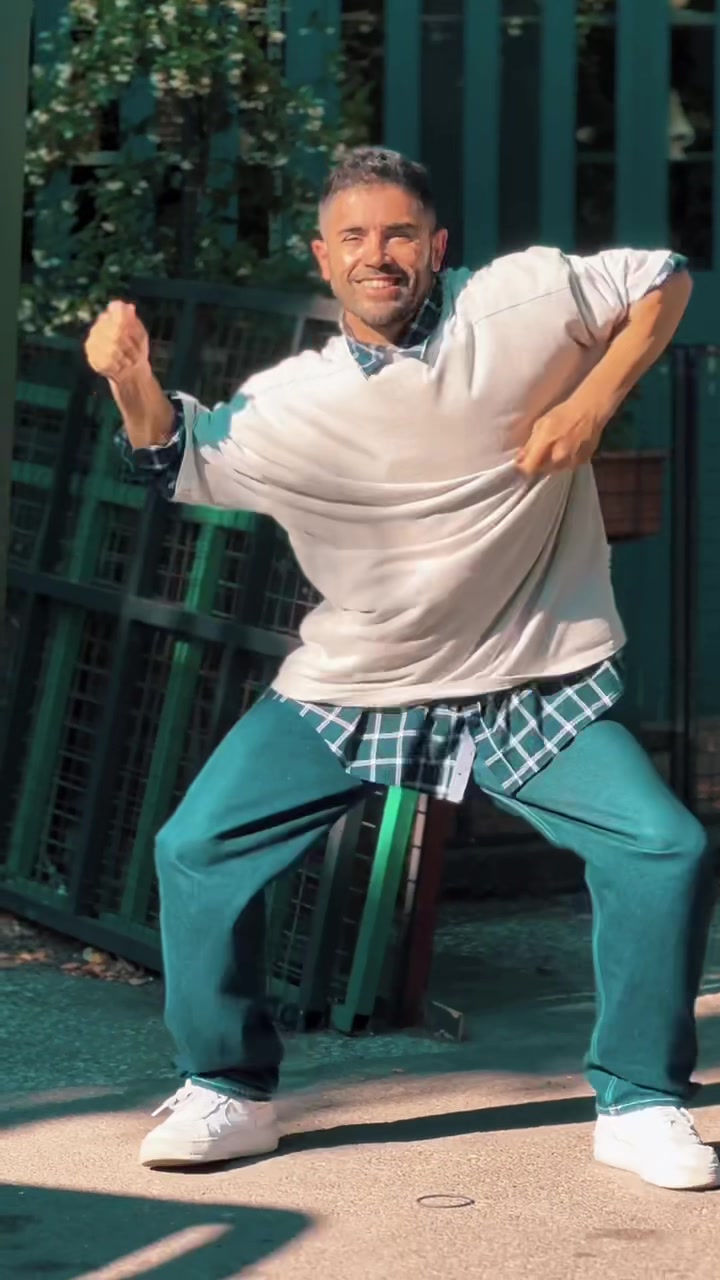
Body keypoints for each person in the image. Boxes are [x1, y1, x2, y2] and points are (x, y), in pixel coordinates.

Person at [85, 147, 717, 1190]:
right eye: (354, 237)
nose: (377, 254)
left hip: (527, 672)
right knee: (197, 846)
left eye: (398, 234)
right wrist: (128, 379)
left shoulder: (517, 302)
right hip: (360, 679)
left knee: (665, 848)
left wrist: (593, 402)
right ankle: (228, 1088)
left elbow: (663, 277)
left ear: (437, 246)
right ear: (322, 258)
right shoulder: (293, 402)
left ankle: (641, 1100)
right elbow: (174, 459)